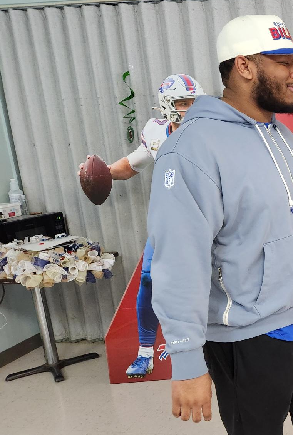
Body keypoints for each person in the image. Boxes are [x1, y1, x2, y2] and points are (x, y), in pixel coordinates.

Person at [146, 15, 293, 435]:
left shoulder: (279, 135)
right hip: (249, 340)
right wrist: (186, 361)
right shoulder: (191, 151)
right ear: (245, 66)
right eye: (283, 62)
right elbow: (179, 261)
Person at [78, 74, 205, 378]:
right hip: (168, 221)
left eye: (192, 102)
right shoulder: (157, 133)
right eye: (180, 102)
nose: (187, 108)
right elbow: (132, 164)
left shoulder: (213, 130)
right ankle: (146, 352)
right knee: (149, 280)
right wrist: (101, 173)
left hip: (206, 222)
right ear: (166, 105)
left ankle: (220, 350)